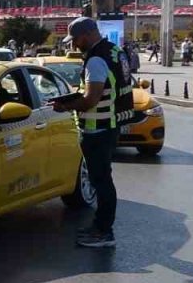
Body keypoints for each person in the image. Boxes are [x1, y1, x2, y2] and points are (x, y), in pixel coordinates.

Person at [50, 17, 133, 248]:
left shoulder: (96, 60)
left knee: (101, 181)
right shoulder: (115, 51)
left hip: (98, 128)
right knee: (103, 179)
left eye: (75, 39)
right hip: (110, 124)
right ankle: (101, 227)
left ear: (86, 34)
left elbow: (91, 99)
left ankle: (104, 232)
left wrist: (64, 106)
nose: (74, 45)